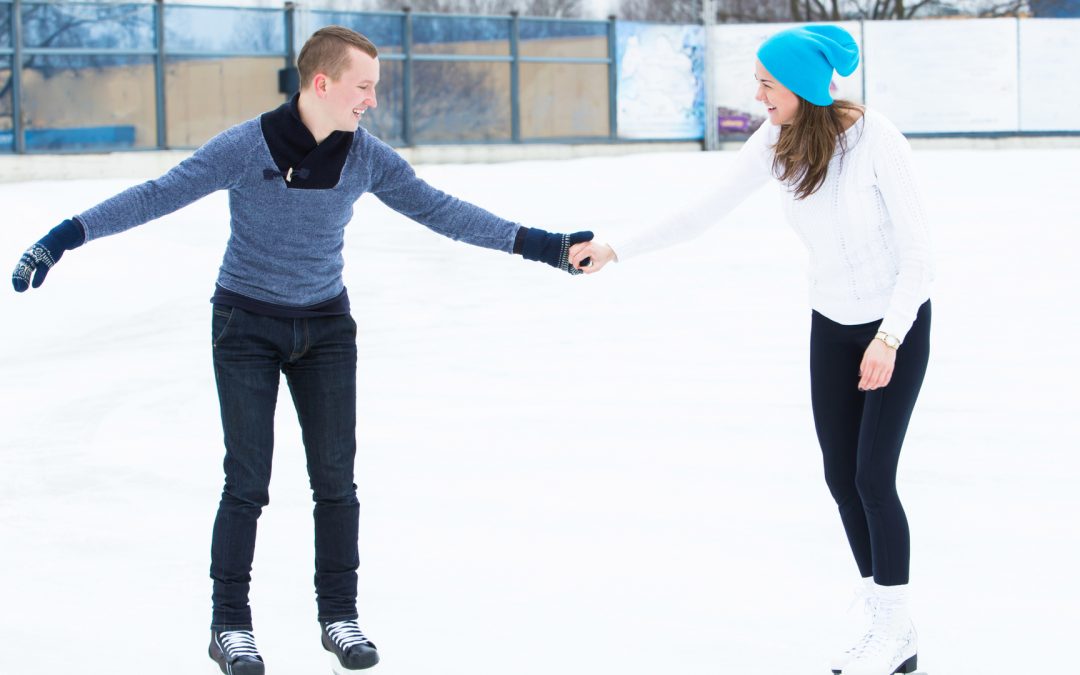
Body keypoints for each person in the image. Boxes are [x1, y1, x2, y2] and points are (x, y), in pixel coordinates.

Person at [11, 25, 592, 675]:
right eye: (363, 86)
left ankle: (338, 615)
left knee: (335, 480)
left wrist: (549, 245)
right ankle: (229, 624)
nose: (372, 99)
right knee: (248, 480)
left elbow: (442, 210)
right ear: (323, 83)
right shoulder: (245, 146)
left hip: (324, 330)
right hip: (245, 326)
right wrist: (61, 238)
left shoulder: (365, 157)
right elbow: (158, 194)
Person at [569, 25, 932, 675]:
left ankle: (893, 626)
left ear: (802, 88)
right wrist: (616, 248)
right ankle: (891, 627)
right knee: (840, 477)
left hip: (894, 323)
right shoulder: (776, 141)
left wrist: (888, 337)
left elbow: (920, 256)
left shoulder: (877, 138)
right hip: (831, 321)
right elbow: (699, 214)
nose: (757, 93)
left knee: (873, 475)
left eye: (768, 83)